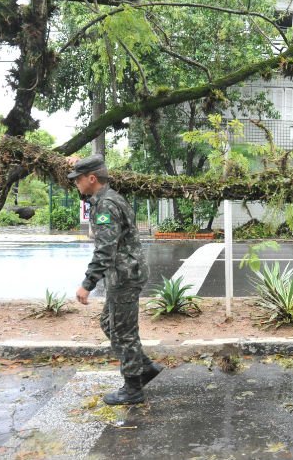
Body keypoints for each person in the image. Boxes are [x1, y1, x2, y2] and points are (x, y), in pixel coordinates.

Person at [69, 154, 163, 405]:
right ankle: (143, 367)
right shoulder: (107, 198)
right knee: (110, 324)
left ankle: (133, 388)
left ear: (92, 178)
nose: (75, 183)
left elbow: (105, 249)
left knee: (123, 331)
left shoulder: (106, 205)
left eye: (78, 179)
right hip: (123, 273)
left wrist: (87, 284)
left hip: (124, 274)